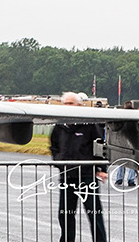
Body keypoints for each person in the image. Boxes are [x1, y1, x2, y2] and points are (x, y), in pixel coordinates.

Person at [50, 92, 108, 242]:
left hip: (87, 176)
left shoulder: (89, 125)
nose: (68, 106)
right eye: (66, 104)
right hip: (67, 176)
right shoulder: (59, 126)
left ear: (79, 105)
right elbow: (54, 146)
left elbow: (100, 146)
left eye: (71, 103)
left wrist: (101, 169)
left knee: (94, 213)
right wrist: (59, 161)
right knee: (65, 213)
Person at [114, 102, 139, 187]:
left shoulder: (120, 117)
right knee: (132, 162)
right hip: (133, 141)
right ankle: (131, 179)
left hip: (123, 141)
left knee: (121, 161)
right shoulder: (136, 117)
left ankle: (119, 179)